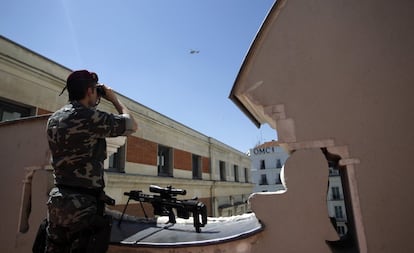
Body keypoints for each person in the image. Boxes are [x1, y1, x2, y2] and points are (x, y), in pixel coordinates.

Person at [44, 70, 138, 253]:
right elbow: (131, 125)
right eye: (96, 91)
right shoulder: (88, 117)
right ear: (89, 91)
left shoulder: (53, 119)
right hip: (82, 206)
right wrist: (113, 98)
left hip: (57, 201)